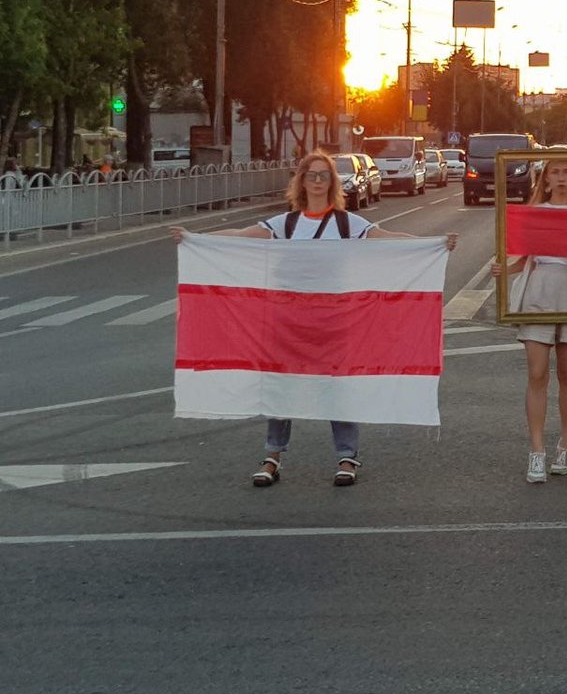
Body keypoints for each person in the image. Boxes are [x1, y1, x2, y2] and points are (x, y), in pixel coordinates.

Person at [170, 150, 457, 488]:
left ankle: (346, 457)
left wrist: (434, 244)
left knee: (338, 386)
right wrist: (196, 239)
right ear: (302, 181)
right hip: (288, 323)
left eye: (324, 175)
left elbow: (386, 239)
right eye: (312, 175)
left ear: (332, 183)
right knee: (281, 385)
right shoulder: (286, 223)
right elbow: (244, 234)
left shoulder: (347, 223)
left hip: (335, 323)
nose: (318, 181)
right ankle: (272, 457)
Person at [491, 158, 567, 483]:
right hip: (538, 289)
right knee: (537, 374)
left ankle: (565, 444)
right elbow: (524, 256)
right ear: (547, 179)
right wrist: (503, 270)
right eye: (556, 172)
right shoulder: (534, 212)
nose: (562, 177)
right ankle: (536, 450)